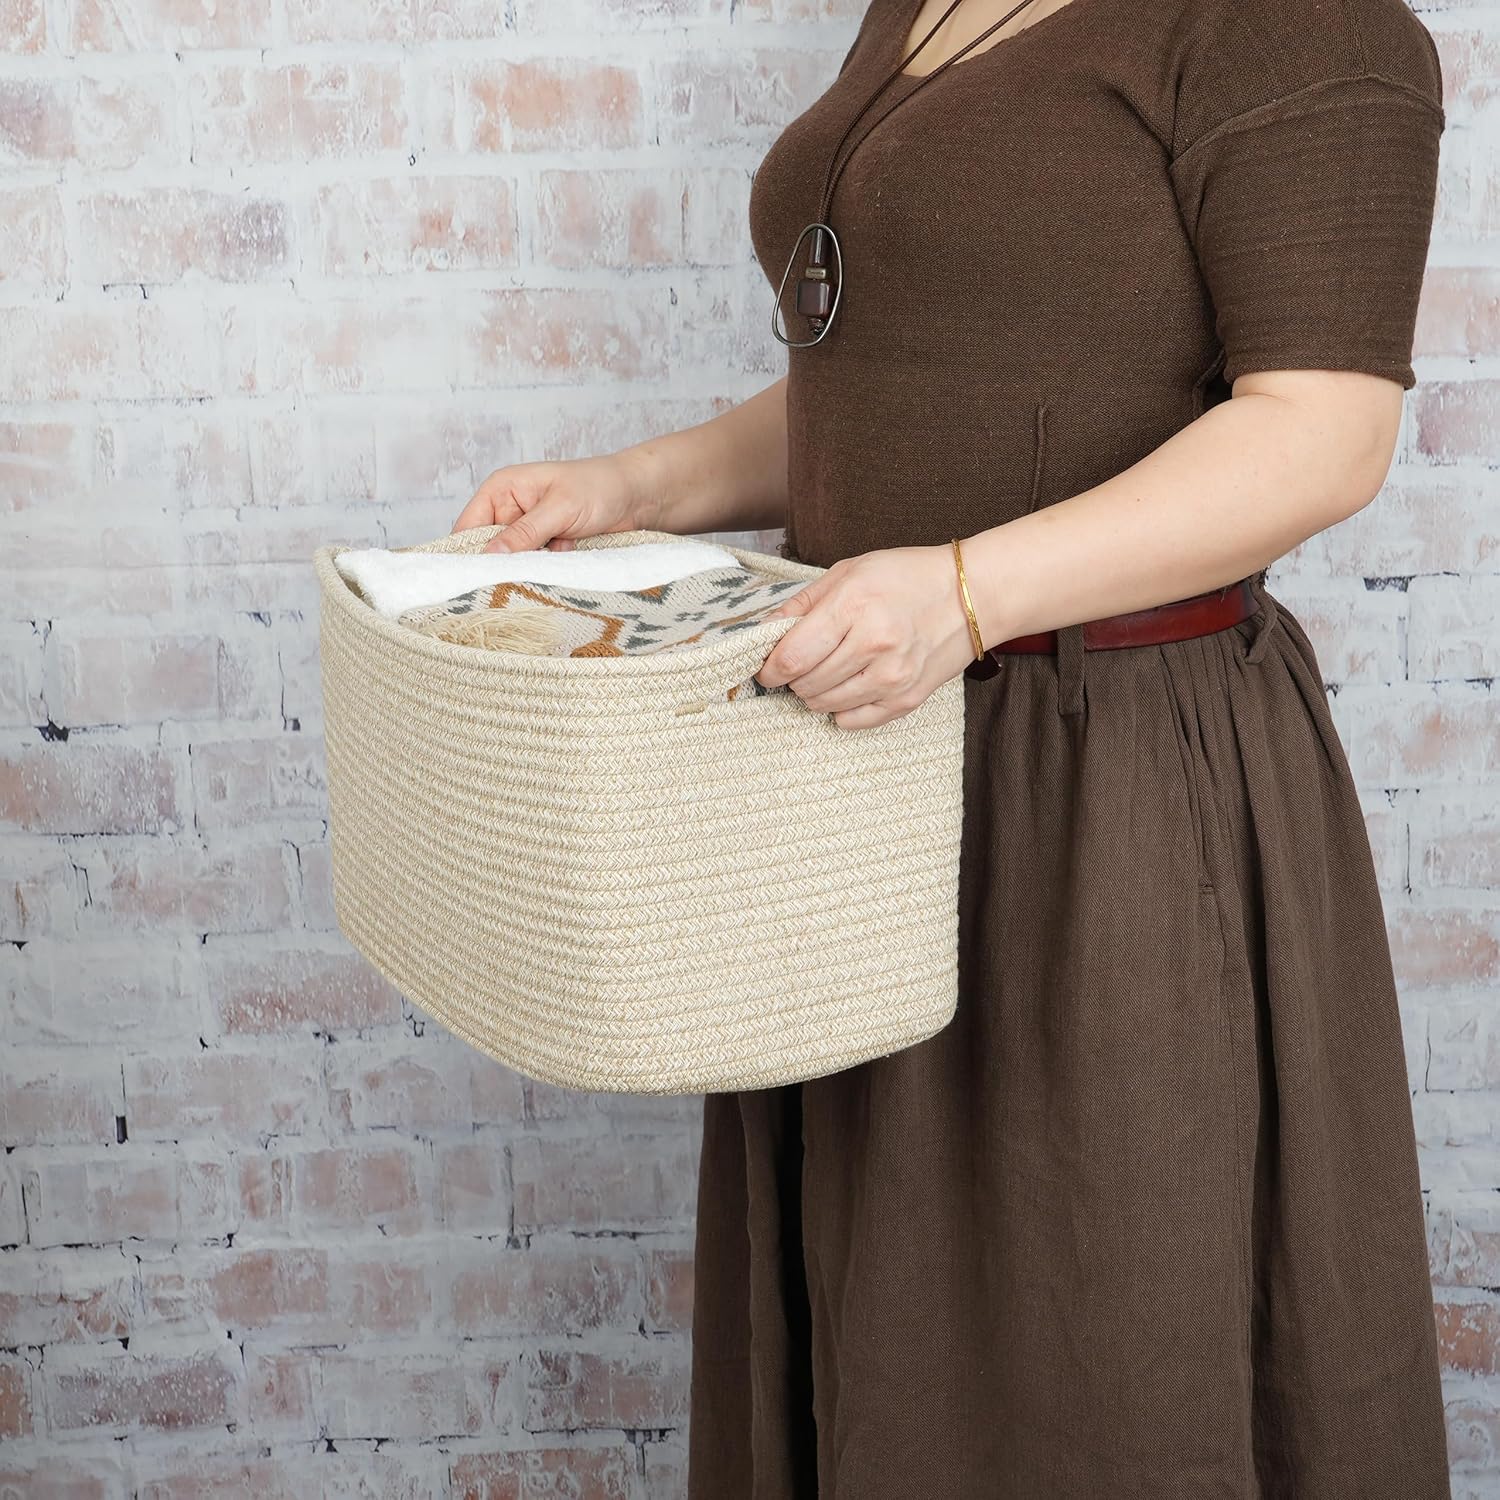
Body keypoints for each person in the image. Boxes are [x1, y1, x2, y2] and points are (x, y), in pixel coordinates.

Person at [451, 0, 1451, 1491]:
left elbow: (1323, 430)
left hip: (1103, 780)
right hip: (860, 756)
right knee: (878, 1337)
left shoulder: (1295, 24)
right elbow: (906, 377)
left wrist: (967, 594)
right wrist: (633, 486)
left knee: (1096, 1337)